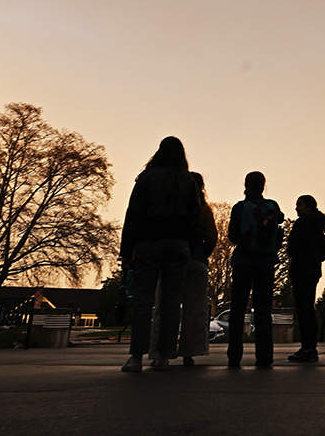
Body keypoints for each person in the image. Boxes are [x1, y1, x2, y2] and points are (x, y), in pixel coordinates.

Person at [119, 136, 202, 372]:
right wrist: (191, 248)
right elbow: (195, 219)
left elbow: (133, 215)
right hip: (178, 245)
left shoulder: (146, 178)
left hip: (149, 242)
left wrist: (127, 251)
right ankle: (163, 355)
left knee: (144, 301)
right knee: (171, 301)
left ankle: (137, 356)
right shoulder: (188, 181)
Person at [155, 171, 217, 367]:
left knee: (165, 306)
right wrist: (201, 253)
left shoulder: (171, 205)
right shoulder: (204, 209)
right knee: (195, 308)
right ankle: (190, 351)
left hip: (171, 260)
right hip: (196, 260)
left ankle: (162, 352)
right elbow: (211, 237)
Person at [226, 171, 283, 368]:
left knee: (238, 309)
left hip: (243, 262)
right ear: (264, 185)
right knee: (263, 310)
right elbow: (280, 220)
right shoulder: (273, 206)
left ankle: (235, 356)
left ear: (246, 185)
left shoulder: (240, 208)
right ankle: (265, 356)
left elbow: (233, 236)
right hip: (267, 263)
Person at [286, 194, 325, 363]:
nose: (297, 208)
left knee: (302, 310)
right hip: (313, 270)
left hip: (300, 270)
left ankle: (306, 348)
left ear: (308, 207)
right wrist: (316, 257)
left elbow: (292, 247)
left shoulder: (302, 223)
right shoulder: (317, 226)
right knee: (309, 309)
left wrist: (298, 253)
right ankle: (312, 347)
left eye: (300, 205)